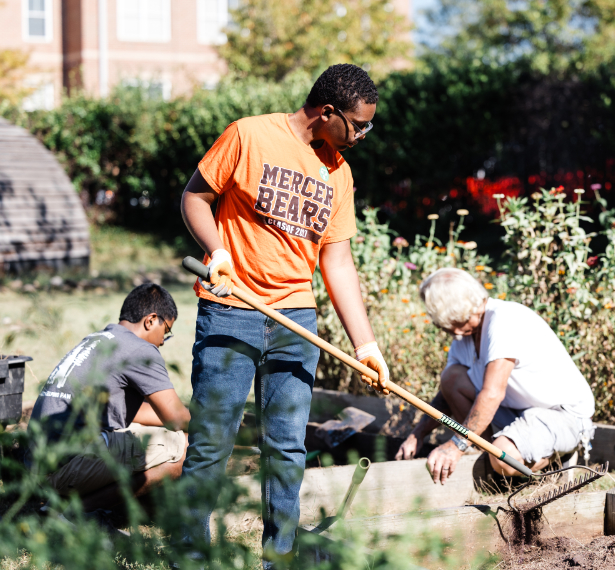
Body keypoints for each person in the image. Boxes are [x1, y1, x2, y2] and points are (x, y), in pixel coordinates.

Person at [180, 63, 389, 565]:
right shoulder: (249, 136)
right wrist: (218, 252)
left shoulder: (338, 172)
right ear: (327, 112)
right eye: (358, 124)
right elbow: (194, 198)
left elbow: (336, 261)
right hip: (233, 309)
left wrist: (367, 345)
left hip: (297, 320)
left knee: (287, 446)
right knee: (213, 440)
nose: (363, 134)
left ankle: (280, 556)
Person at [395, 268, 595, 484]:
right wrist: (418, 434)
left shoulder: (503, 321)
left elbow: (492, 394)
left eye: (439, 318)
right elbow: (447, 394)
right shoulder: (465, 337)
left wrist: (457, 444)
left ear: (453, 310)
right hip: (519, 412)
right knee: (451, 379)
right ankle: (494, 457)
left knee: (503, 458)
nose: (439, 326)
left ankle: (554, 462)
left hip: (562, 416)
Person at [27, 283, 190, 514]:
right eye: (166, 331)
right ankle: (77, 513)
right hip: (67, 468)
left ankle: (63, 503)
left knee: (145, 435)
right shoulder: (138, 349)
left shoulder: (97, 340)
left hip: (39, 467)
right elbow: (176, 419)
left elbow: (137, 414)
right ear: (151, 320)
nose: (163, 341)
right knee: (186, 449)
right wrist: (213, 426)